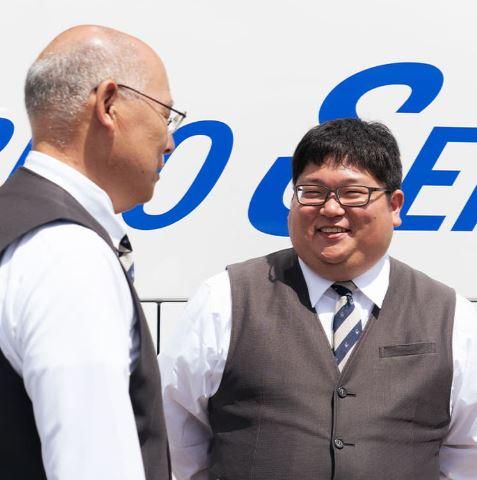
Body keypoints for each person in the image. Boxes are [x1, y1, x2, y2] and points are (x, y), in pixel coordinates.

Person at [159, 118, 477, 480]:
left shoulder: (451, 316)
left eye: (353, 193)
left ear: (395, 205)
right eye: (312, 191)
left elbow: (467, 456)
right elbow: (173, 440)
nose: (331, 208)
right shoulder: (225, 300)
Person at [0, 25, 186, 480]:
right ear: (108, 104)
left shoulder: (20, 227)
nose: (170, 141)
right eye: (166, 115)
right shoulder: (68, 255)